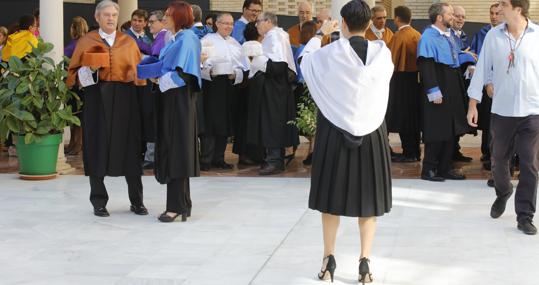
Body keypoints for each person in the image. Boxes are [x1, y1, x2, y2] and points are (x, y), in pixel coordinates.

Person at [299, 0, 393, 282]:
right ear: (368, 24)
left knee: (331, 198)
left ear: (341, 23)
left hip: (334, 130)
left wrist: (319, 34)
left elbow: (305, 63)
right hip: (372, 131)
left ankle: (329, 261)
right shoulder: (382, 53)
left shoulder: (328, 53)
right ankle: (365, 262)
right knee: (370, 200)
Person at [66, 0, 147, 217]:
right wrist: (89, 70)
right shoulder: (86, 41)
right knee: (97, 145)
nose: (111, 18)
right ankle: (99, 202)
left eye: (114, 15)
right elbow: (74, 76)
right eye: (106, 15)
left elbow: (138, 73)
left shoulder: (128, 42)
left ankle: (137, 200)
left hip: (125, 98)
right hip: (96, 97)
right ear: (97, 17)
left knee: (130, 146)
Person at [467, 0, 539, 235]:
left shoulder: (537, 35)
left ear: (518, 8)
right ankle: (503, 191)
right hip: (502, 111)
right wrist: (473, 104)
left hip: (532, 112)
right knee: (498, 161)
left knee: (529, 164)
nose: (498, 10)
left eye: (504, 5)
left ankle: (525, 216)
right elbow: (481, 69)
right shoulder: (493, 36)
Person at [151, 1, 201, 222]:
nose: (165, 18)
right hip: (171, 100)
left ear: (179, 17)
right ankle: (183, 203)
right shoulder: (175, 37)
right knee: (176, 148)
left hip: (179, 101)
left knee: (176, 150)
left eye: (169, 15)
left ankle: (175, 206)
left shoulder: (187, 38)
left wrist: (160, 79)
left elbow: (185, 75)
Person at [417, 3, 470, 182]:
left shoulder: (449, 35)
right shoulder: (428, 37)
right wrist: (433, 91)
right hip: (439, 83)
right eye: (449, 14)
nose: (453, 17)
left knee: (451, 128)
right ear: (439, 17)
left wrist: (469, 57)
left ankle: (445, 168)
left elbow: (454, 56)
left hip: (452, 82)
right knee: (437, 129)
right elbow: (426, 65)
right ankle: (429, 169)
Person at [249, 12, 299, 175]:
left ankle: (274, 161)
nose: (256, 25)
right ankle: (275, 159)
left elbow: (277, 66)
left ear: (268, 21)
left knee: (272, 122)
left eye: (258, 22)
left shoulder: (274, 37)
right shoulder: (278, 35)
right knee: (274, 121)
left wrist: (255, 60)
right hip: (277, 87)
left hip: (274, 88)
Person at [199, 13, 249, 171]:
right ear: (217, 24)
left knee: (225, 124)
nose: (228, 26)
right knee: (210, 124)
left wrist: (236, 75)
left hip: (229, 86)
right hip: (211, 87)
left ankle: (219, 158)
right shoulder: (206, 40)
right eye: (225, 23)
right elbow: (198, 63)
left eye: (231, 24)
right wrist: (209, 71)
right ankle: (206, 159)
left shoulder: (235, 43)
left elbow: (244, 67)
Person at [386, 6, 422, 163]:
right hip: (416, 81)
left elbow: (389, 60)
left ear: (397, 19)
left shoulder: (398, 36)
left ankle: (409, 152)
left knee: (403, 118)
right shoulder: (417, 34)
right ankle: (415, 151)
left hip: (400, 81)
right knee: (414, 117)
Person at [470, 3, 501, 167]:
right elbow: (479, 59)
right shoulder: (482, 33)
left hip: (504, 85)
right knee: (488, 120)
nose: (494, 16)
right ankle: (487, 152)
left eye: (497, 13)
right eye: (492, 13)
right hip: (487, 84)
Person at [450, 5, 474, 163]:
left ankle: (455, 150)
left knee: (461, 118)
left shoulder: (464, 36)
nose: (460, 19)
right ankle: (450, 152)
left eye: (463, 17)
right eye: (457, 16)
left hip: (463, 85)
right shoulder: (447, 36)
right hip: (451, 84)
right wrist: (466, 56)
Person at [64, 16, 89, 157]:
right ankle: (74, 143)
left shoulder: (77, 43)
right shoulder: (84, 42)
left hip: (77, 83)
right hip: (78, 83)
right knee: (75, 116)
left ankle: (77, 145)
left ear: (74, 28)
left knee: (77, 116)